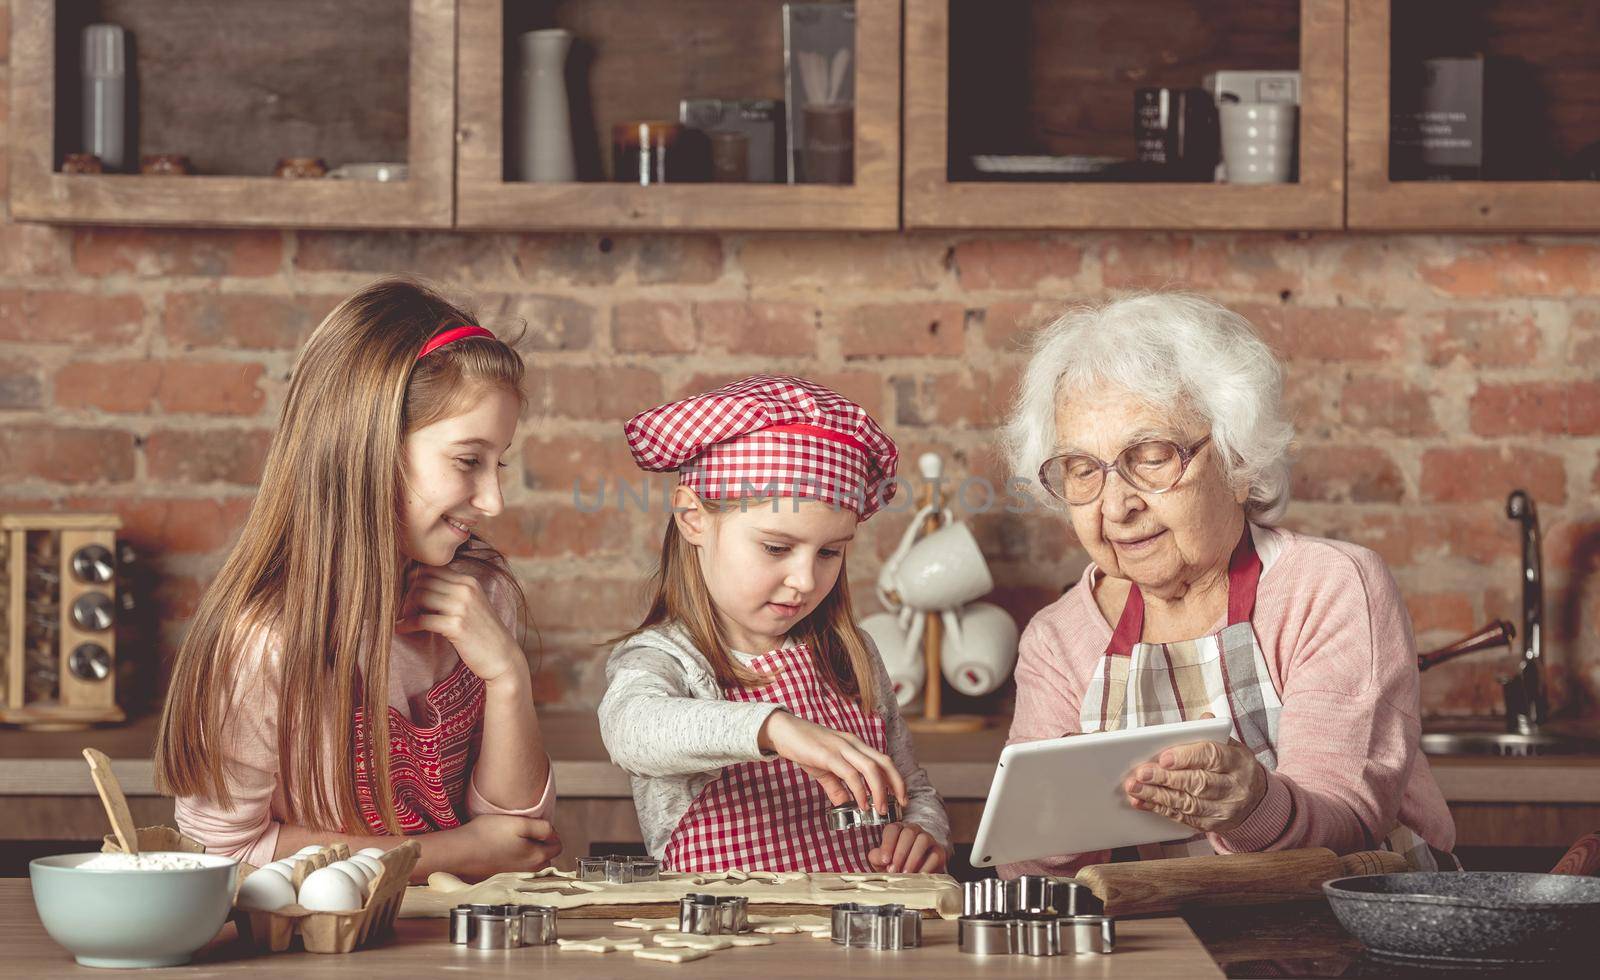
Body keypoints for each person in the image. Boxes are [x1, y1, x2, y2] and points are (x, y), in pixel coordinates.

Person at [998, 292, 1455, 877]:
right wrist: (1046, 836)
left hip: (1359, 936)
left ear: (1238, 463)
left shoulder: (1330, 588)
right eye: (1083, 470)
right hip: (1171, 946)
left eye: (1153, 457)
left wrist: (1252, 807)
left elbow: (1348, 820)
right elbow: (1030, 868)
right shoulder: (1059, 640)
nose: (1116, 506)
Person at [156, 278, 558, 880]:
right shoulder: (265, 641)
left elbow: (521, 840)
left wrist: (507, 677)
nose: (494, 500)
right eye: (467, 460)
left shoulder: (481, 597)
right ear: (367, 450)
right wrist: (457, 852)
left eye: (498, 464)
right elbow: (220, 857)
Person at [600, 376, 950, 873]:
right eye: (776, 548)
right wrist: (773, 727)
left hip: (859, 932)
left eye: (830, 552)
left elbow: (912, 789)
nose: (805, 580)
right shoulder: (668, 659)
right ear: (692, 517)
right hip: (731, 937)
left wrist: (924, 833)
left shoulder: (853, 655)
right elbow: (631, 728)